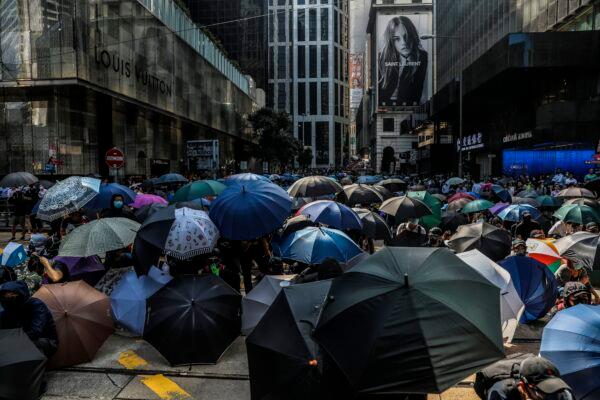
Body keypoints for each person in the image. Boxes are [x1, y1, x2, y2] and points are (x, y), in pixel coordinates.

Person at [378, 16, 428, 107]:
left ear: (413, 36)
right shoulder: (383, 57)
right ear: (391, 41)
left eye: (406, 36)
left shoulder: (422, 57)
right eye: (397, 39)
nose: (404, 43)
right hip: (384, 107)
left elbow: (419, 93)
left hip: (409, 109)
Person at [0, 280, 59, 358]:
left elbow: (36, 331)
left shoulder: (36, 305)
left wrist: (14, 341)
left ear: (19, 294)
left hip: (46, 341)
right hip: (21, 341)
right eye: (5, 295)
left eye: (12, 294)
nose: (9, 297)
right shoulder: (10, 310)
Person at [484, 356, 574, 400]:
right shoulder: (501, 392)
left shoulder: (562, 392)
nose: (548, 397)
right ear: (522, 386)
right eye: (541, 395)